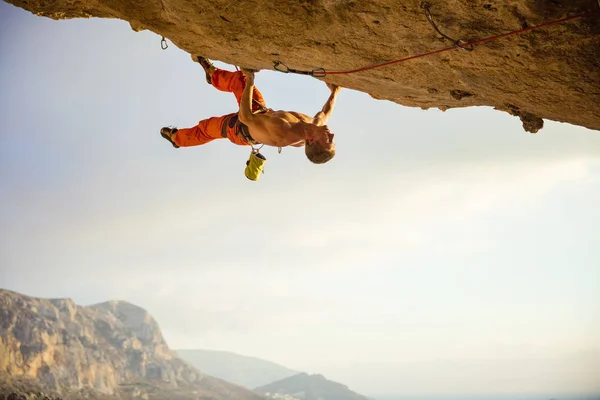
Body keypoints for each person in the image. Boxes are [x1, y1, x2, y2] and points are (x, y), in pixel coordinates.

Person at [160, 57, 342, 164]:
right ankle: (213, 75)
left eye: (328, 140)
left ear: (311, 140)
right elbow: (325, 113)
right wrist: (335, 91)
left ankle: (177, 139)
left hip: (239, 129)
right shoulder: (315, 126)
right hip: (260, 112)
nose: (332, 135)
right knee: (239, 80)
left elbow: (245, 117)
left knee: (206, 128)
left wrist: (251, 82)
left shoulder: (283, 131)